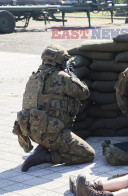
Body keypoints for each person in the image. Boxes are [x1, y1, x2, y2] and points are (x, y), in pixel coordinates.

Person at [12, 44, 94, 172]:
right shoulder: (62, 77)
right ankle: (46, 157)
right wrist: (71, 75)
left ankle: (43, 147)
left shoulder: (33, 78)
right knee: (88, 154)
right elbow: (84, 93)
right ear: (61, 61)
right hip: (51, 134)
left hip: (33, 132)